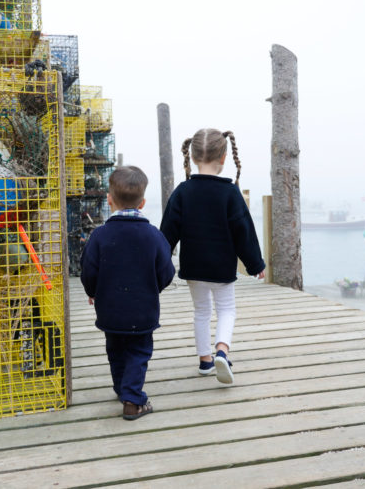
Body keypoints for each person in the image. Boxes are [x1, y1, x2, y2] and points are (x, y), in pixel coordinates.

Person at [160, 128, 265, 385]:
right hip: (221, 267)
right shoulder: (230, 193)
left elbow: (167, 233)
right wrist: (255, 264)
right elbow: (244, 232)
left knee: (201, 311)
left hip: (193, 266)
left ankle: (205, 361)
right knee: (227, 309)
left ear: (193, 157)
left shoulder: (182, 192)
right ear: (224, 157)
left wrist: (159, 263)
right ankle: (222, 350)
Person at [80, 166, 175, 420]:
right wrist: (153, 287)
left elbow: (88, 269)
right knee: (139, 352)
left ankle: (122, 388)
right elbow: (166, 271)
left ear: (109, 200)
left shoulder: (99, 235)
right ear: (143, 202)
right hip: (143, 309)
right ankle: (133, 399)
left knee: (116, 349)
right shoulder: (154, 236)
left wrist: (93, 291)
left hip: (110, 309)